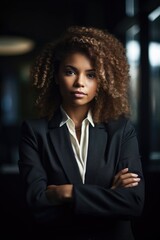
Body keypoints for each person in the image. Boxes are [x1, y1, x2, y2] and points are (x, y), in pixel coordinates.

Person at [18, 26, 145, 240]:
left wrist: (65, 193)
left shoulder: (121, 130)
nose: (80, 82)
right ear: (56, 76)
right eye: (70, 71)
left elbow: (132, 204)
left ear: (102, 81)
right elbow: (37, 207)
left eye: (91, 74)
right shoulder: (34, 132)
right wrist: (109, 197)